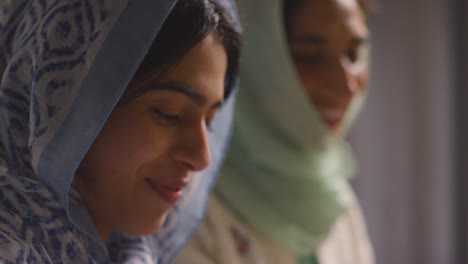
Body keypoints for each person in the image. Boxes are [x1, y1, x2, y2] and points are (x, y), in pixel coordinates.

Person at [0, 0, 241, 262]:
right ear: (60, 100)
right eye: (169, 114)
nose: (201, 158)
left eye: (209, 121)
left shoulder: (128, 251)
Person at [174, 0, 374, 263]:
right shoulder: (183, 205)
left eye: (353, 53)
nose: (345, 86)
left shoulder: (332, 199)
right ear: (255, 61)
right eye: (310, 55)